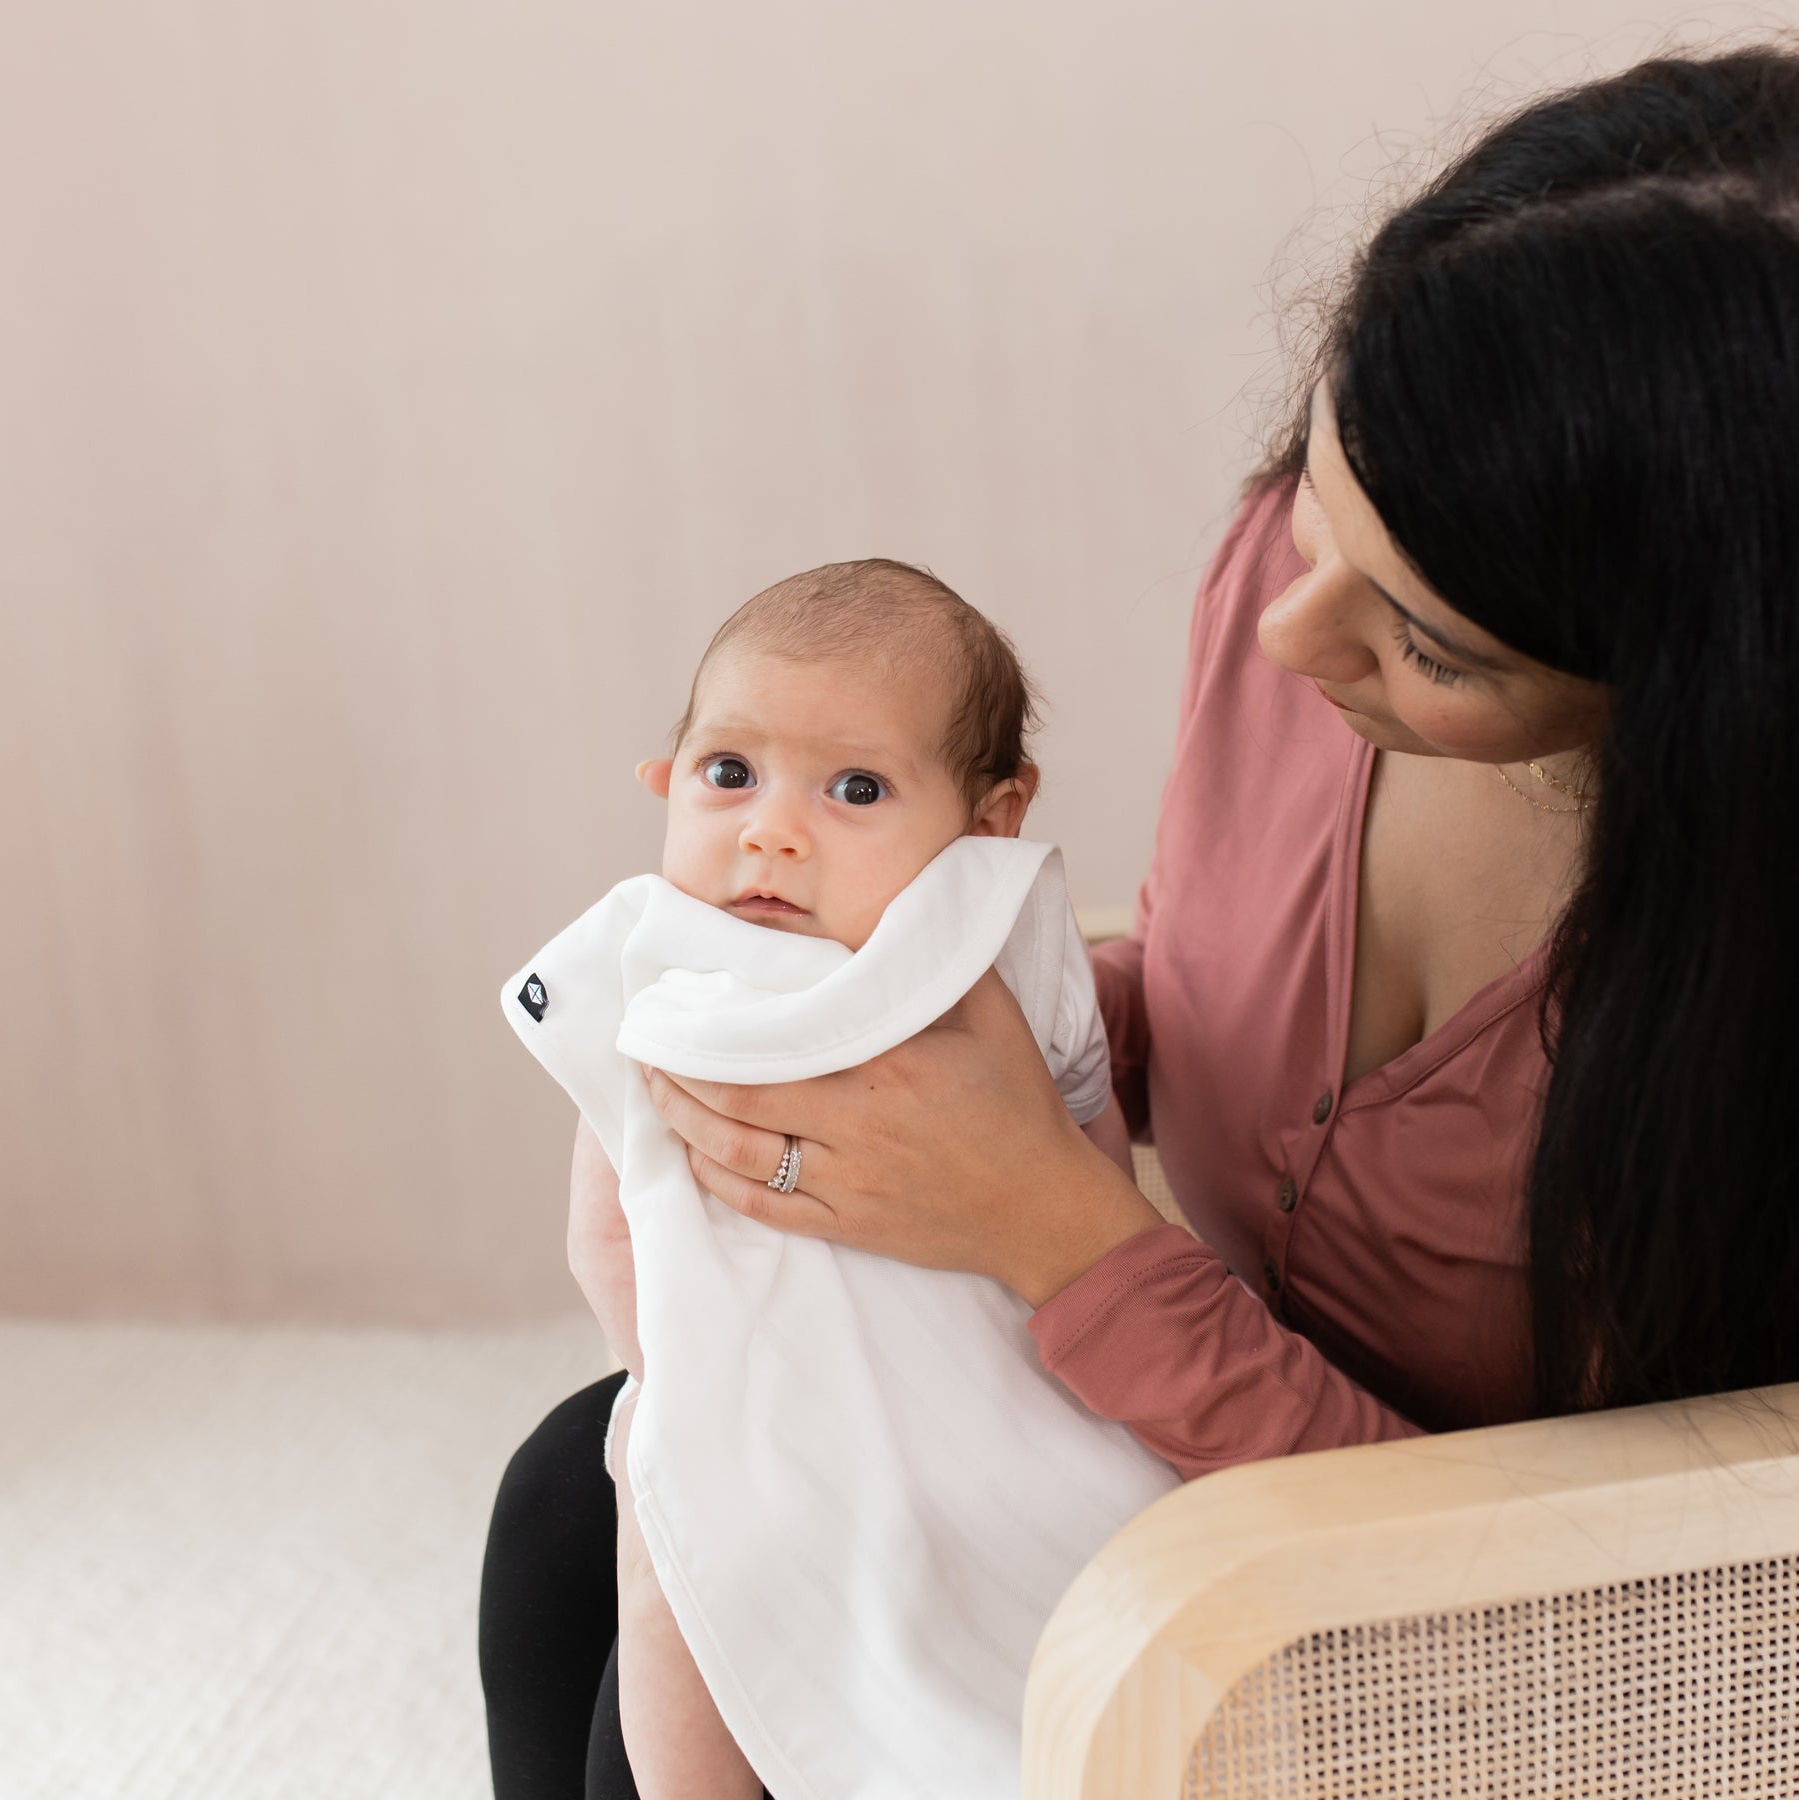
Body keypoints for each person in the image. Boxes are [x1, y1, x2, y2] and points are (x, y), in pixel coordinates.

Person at [481, 41, 1799, 1799]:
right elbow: (1208, 969)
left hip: (1510, 1638)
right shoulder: (1299, 588)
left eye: (1432, 644)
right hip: (1157, 1428)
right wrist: (930, 1032)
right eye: (1322, 512)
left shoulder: (1747, 1010)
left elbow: (1672, 1584)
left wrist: (1058, 1231)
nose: (1290, 635)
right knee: (587, 1508)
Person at [500, 556, 1151, 1800]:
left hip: (991, 1399)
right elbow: (609, 1223)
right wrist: (681, 1379)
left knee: (1044, 1583)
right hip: (734, 1403)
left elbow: (1092, 1171)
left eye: (856, 788)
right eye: (728, 774)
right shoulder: (663, 959)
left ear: (990, 819)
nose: (771, 830)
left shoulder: (1003, 940)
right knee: (674, 1545)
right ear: (665, 783)